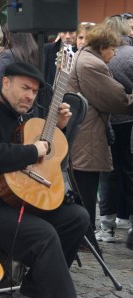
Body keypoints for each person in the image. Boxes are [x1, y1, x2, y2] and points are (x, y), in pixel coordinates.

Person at [0, 62, 90, 298]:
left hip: (19, 201)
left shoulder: (25, 119)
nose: (30, 96)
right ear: (6, 83)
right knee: (44, 235)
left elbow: (46, 153)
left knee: (77, 218)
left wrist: (58, 128)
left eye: (35, 91)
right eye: (25, 88)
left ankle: (34, 287)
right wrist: (31, 151)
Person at [65, 23, 133, 237]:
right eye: (112, 49)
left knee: (82, 187)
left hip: (82, 131)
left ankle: (84, 235)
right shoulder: (91, 64)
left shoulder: (84, 58)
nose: (114, 54)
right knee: (85, 188)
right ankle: (85, 236)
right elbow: (116, 99)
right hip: (87, 134)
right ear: (102, 46)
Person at [95, 17, 133, 249]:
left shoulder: (102, 58)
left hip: (107, 119)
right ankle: (129, 223)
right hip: (130, 120)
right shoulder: (131, 54)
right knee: (130, 171)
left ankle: (106, 225)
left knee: (108, 171)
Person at [0, 23, 39, 99]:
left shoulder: (7, 56)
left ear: (9, 36)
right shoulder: (38, 54)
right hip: (32, 104)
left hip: (10, 106)